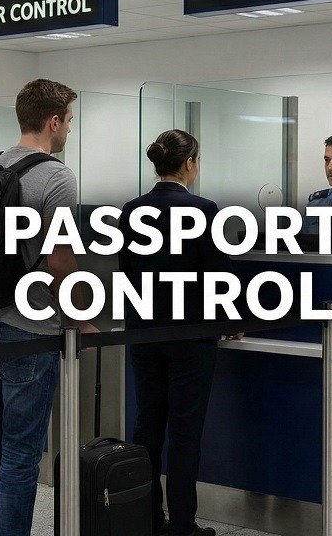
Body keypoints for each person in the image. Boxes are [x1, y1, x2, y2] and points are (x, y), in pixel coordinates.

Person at [0, 78, 97, 536]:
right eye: (70, 121)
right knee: (21, 453)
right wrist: (81, 316)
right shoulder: (56, 175)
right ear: (53, 121)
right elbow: (61, 259)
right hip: (30, 330)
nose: (69, 131)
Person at [118, 130, 241, 536]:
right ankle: (182, 524)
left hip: (143, 335)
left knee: (147, 426)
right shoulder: (204, 210)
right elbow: (217, 275)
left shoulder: (131, 210)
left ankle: (147, 518)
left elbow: (129, 271)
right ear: (190, 163)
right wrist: (231, 320)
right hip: (190, 338)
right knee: (186, 432)